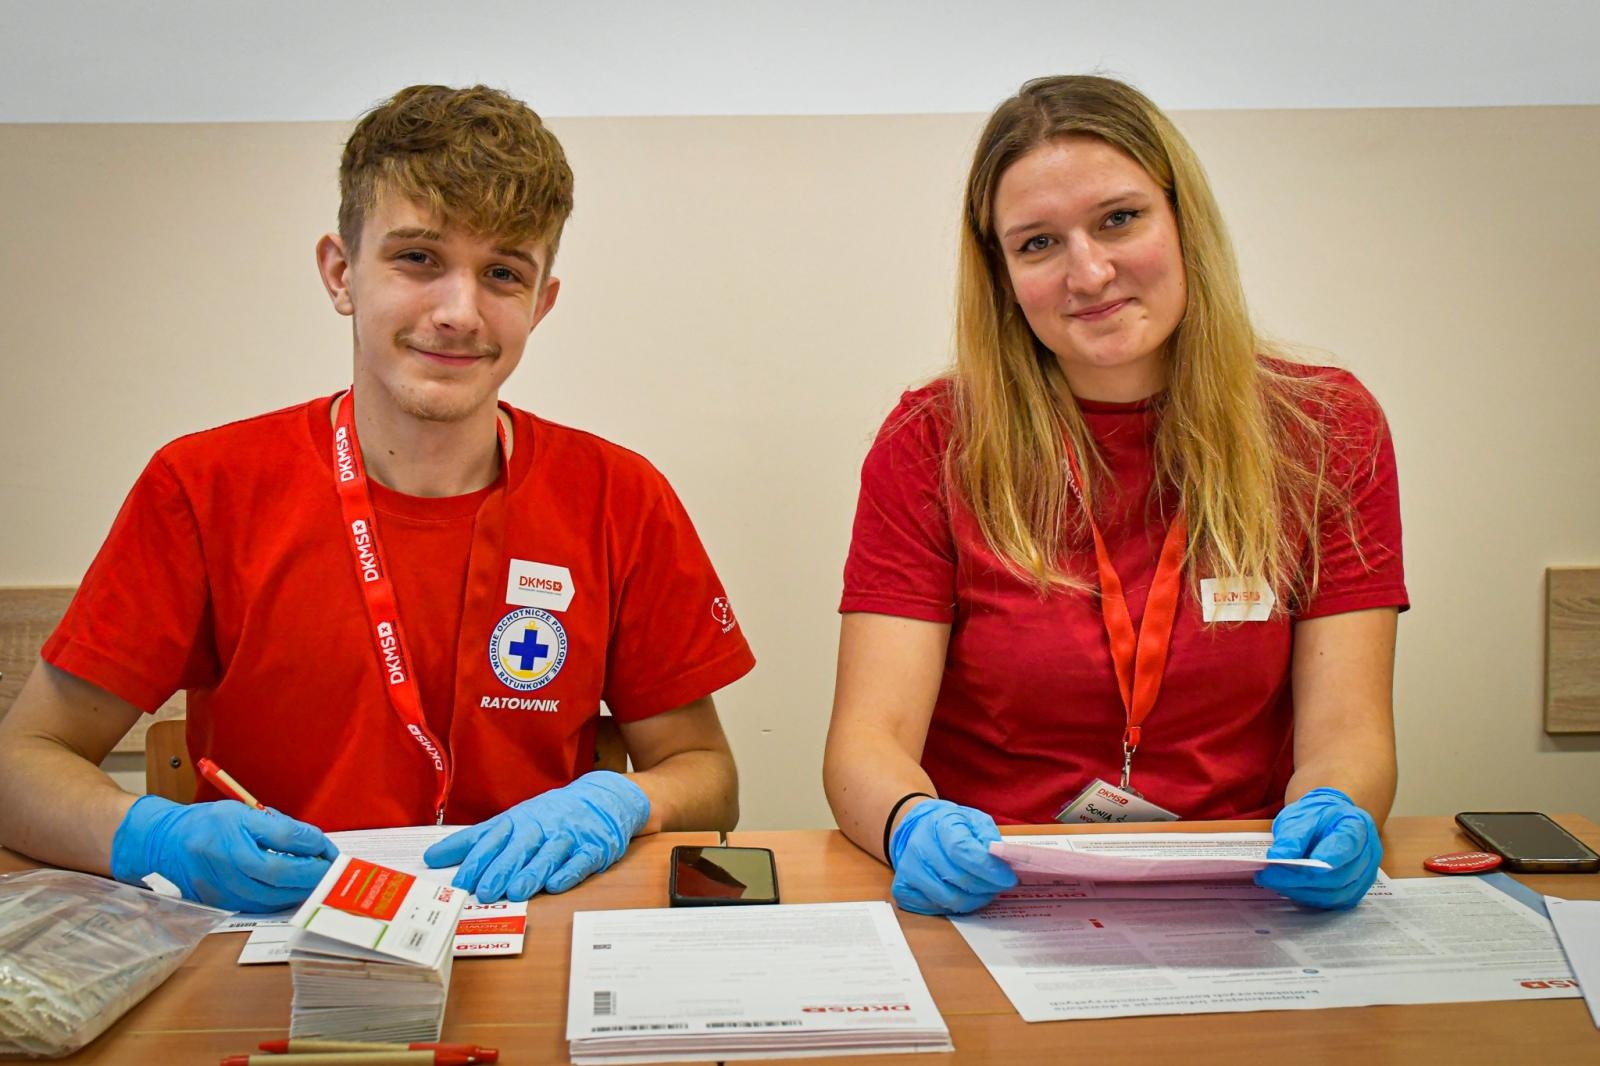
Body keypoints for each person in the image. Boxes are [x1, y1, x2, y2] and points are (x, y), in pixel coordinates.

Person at [0, 84, 754, 912]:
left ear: (541, 303)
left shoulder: (620, 496)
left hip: (527, 927)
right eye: (418, 259)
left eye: (503, 273)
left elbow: (707, 775)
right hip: (277, 932)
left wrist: (621, 801)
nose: (459, 313)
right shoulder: (202, 487)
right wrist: (151, 834)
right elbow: (20, 765)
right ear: (341, 273)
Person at [823, 75, 1405, 916]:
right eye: (1038, 243)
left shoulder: (1327, 430)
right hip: (1000, 893)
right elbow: (865, 743)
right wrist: (910, 822)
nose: (1089, 273)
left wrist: (1338, 807)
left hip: (1244, 892)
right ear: (1002, 276)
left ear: (1183, 220)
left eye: (1119, 219)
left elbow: (1350, 730)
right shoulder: (933, 442)